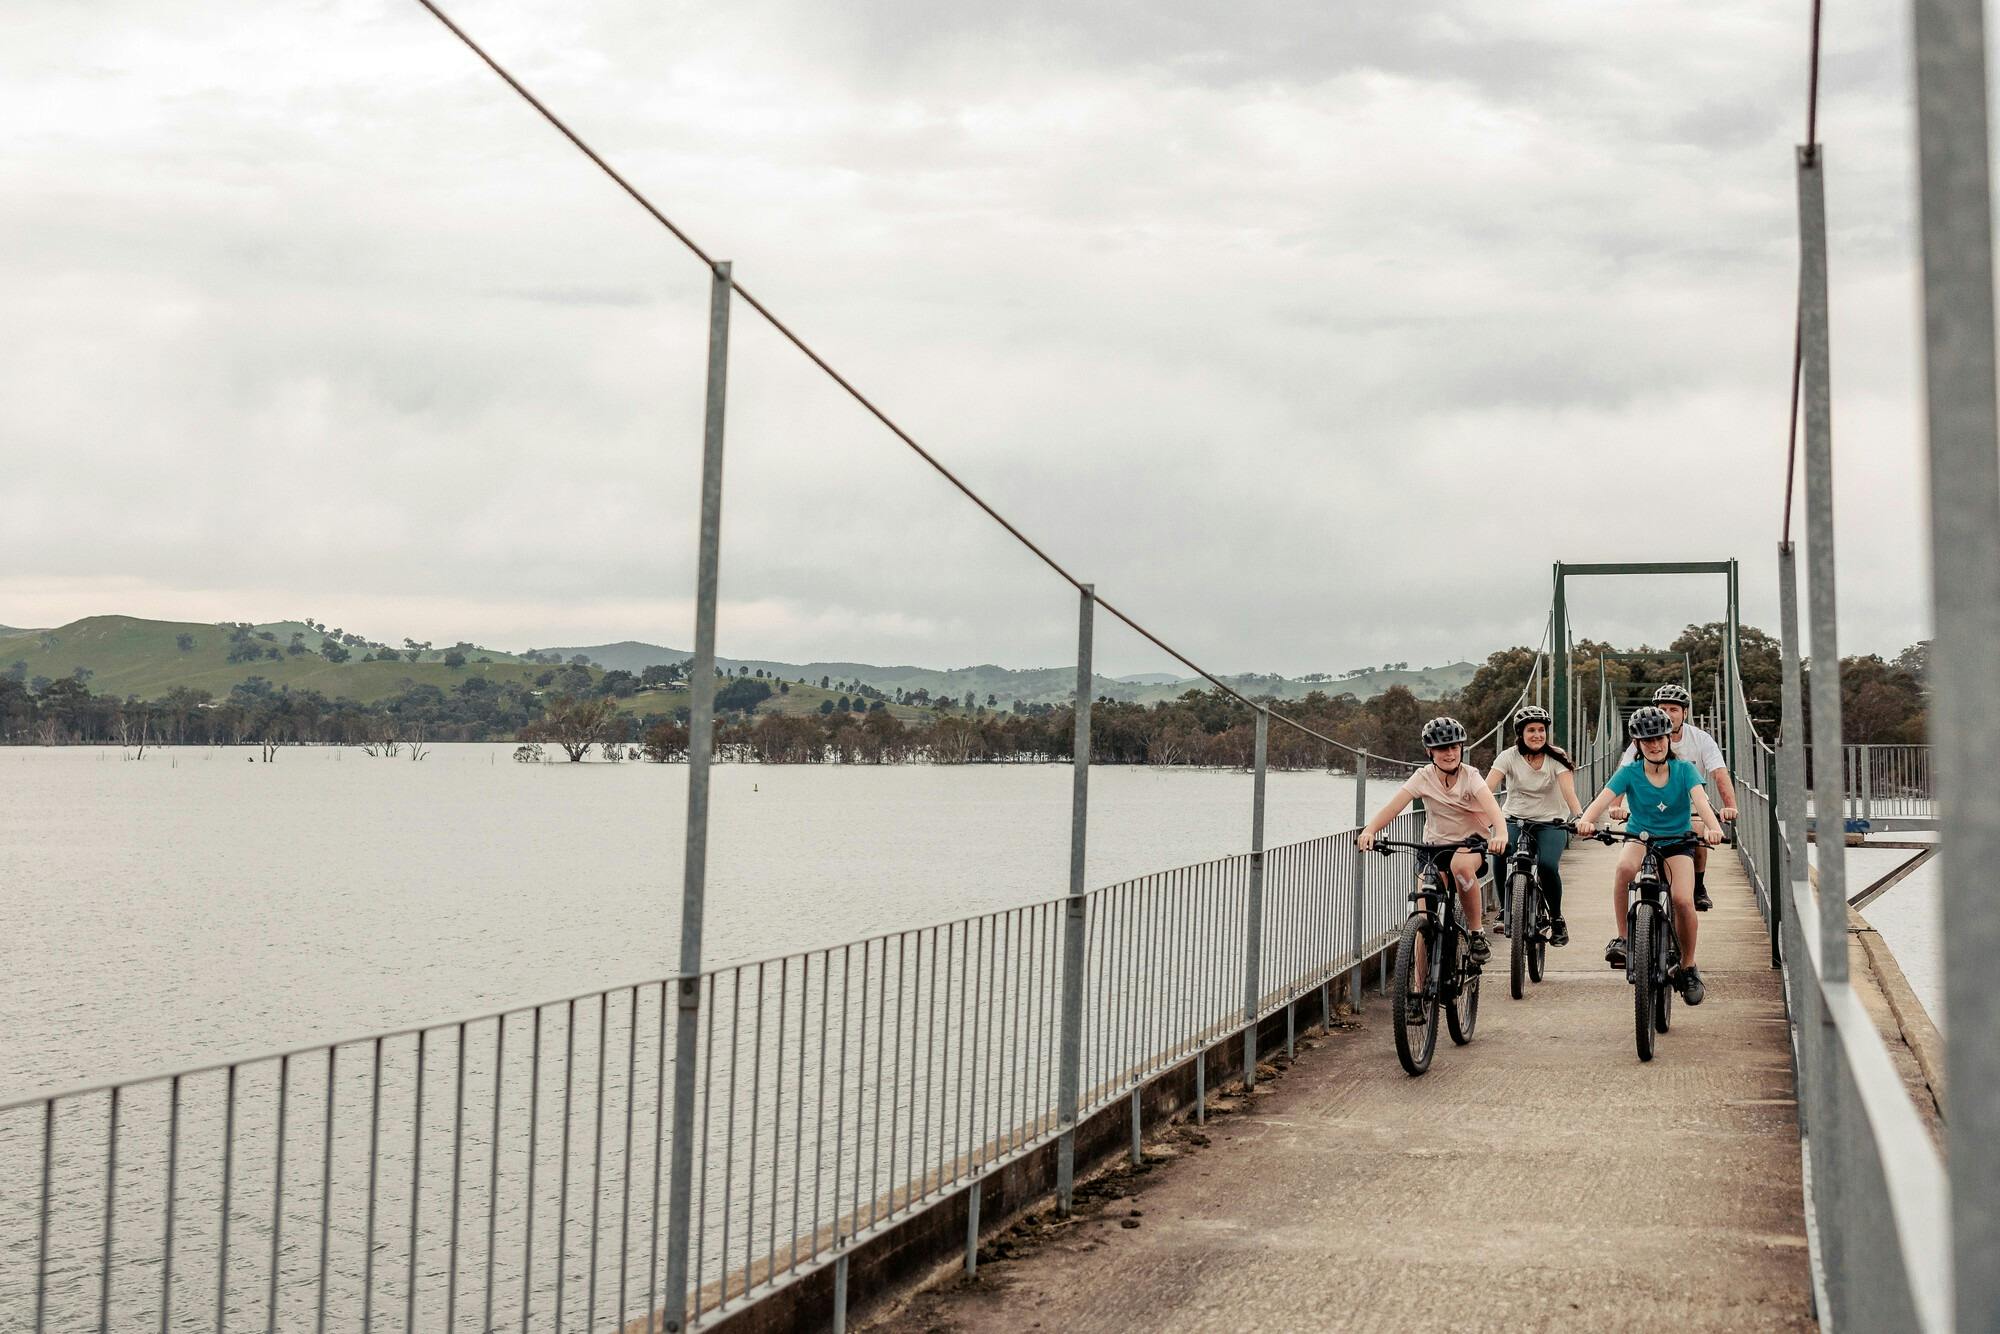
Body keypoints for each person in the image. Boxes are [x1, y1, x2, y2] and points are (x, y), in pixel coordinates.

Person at [1578, 705, 1726, 1004]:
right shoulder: (1629, 772)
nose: (1656, 745)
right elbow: (1603, 799)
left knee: (1683, 899)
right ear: (1637, 744)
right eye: (1648, 741)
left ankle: (1688, 966)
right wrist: (1586, 820)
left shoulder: (1684, 770)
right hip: (1640, 837)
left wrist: (1712, 828)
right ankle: (1623, 937)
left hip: (1676, 841)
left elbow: (1702, 801)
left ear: (1669, 739)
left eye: (1660, 738)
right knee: (1623, 869)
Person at [1358, 716, 1509, 966]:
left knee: (1460, 868)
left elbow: (1493, 809)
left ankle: (1475, 933)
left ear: (1461, 748)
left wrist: (1501, 834)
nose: (1449, 753)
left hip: (1469, 845)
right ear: (1430, 751)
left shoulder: (1471, 776)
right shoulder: (1423, 777)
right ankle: (1419, 992)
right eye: (1442, 748)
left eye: (1454, 747)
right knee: (1423, 915)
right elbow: (1393, 807)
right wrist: (1370, 830)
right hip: (1434, 848)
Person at [1612, 683, 1738, 911]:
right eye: (1663, 708)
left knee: (1699, 828)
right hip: (1652, 807)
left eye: (1674, 709)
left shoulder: (1701, 739)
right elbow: (1624, 773)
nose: (1668, 714)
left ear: (1685, 712)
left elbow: (1719, 773)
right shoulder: (1645, 738)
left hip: (1692, 803)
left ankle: (1698, 886)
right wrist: (1615, 805)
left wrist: (1730, 806)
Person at [1485, 704, 1584, 947]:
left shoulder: (1556, 757)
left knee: (1548, 866)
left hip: (1551, 823)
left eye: (1541, 730)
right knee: (1499, 850)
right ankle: (1506, 908)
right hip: (1514, 818)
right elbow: (1486, 790)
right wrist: (1477, 817)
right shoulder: (1508, 756)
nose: (1537, 735)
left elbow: (1568, 792)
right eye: (1531, 730)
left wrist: (1579, 816)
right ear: (1521, 733)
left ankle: (1557, 918)